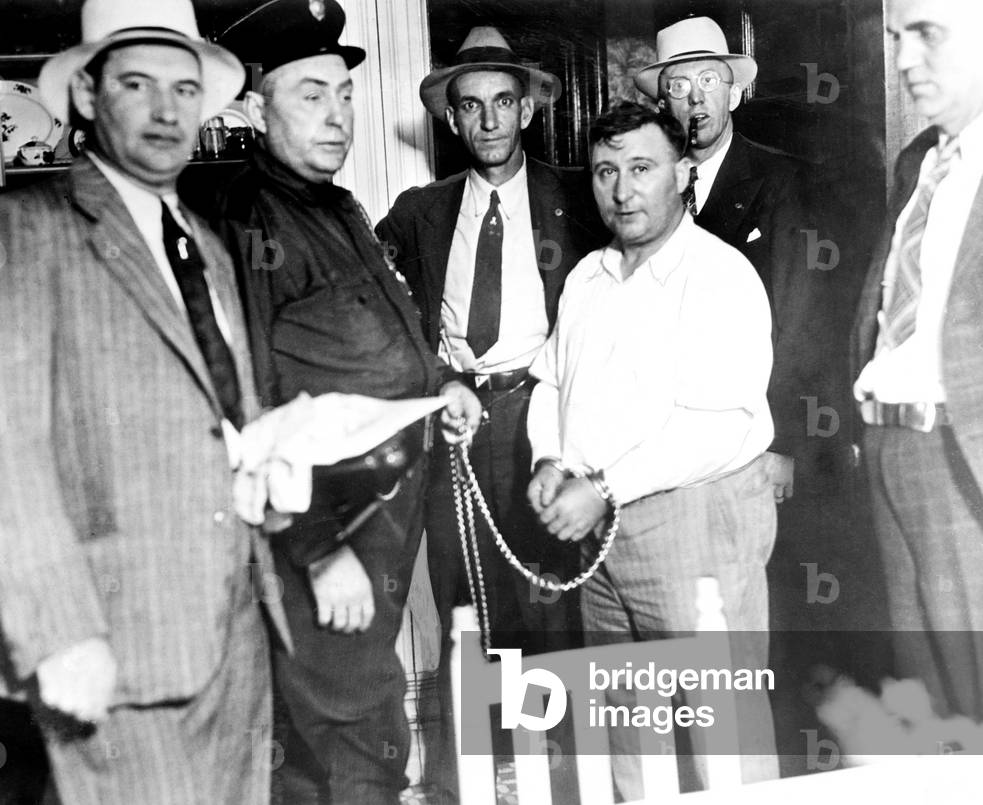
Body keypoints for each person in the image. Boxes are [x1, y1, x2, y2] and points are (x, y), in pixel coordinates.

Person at [0, 0, 291, 802]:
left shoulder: (204, 244)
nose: (166, 109)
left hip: (236, 630)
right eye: (136, 83)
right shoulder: (22, 231)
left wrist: (266, 467)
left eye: (184, 88)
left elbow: (213, 414)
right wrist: (58, 633)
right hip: (115, 643)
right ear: (84, 97)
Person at [215, 3, 481, 803]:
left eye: (344, 94)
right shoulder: (249, 220)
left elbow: (380, 334)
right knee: (347, 741)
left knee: (357, 731)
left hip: (380, 517)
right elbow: (245, 402)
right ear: (254, 110)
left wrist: (442, 386)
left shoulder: (334, 206)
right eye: (309, 96)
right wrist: (318, 546)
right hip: (321, 525)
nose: (337, 117)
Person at [375, 26, 607, 801]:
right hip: (459, 421)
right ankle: (467, 778)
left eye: (502, 103)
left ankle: (564, 776)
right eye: (470, 107)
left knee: (551, 600)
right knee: (463, 604)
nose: (487, 122)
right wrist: (439, 377)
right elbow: (382, 310)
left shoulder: (576, 196)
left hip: (543, 414)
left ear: (527, 111)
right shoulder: (419, 212)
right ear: (451, 120)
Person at [526, 102, 778, 793]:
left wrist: (601, 487)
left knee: (722, 730)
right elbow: (549, 383)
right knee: (626, 724)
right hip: (598, 535)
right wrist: (549, 458)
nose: (621, 189)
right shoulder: (586, 278)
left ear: (684, 174)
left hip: (692, 523)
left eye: (641, 168)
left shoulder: (717, 275)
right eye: (605, 171)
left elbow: (719, 422)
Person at [636, 15, 839, 509]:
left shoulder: (784, 181)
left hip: (752, 442)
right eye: (679, 86)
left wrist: (785, 443)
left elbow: (803, 322)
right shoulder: (645, 189)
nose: (695, 99)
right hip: (668, 450)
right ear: (664, 104)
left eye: (709, 81)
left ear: (732, 95)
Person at [853, 0, 983, 721]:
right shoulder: (919, 163)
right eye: (896, 38)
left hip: (961, 462)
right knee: (932, 717)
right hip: (888, 452)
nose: (902, 60)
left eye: (925, 35)